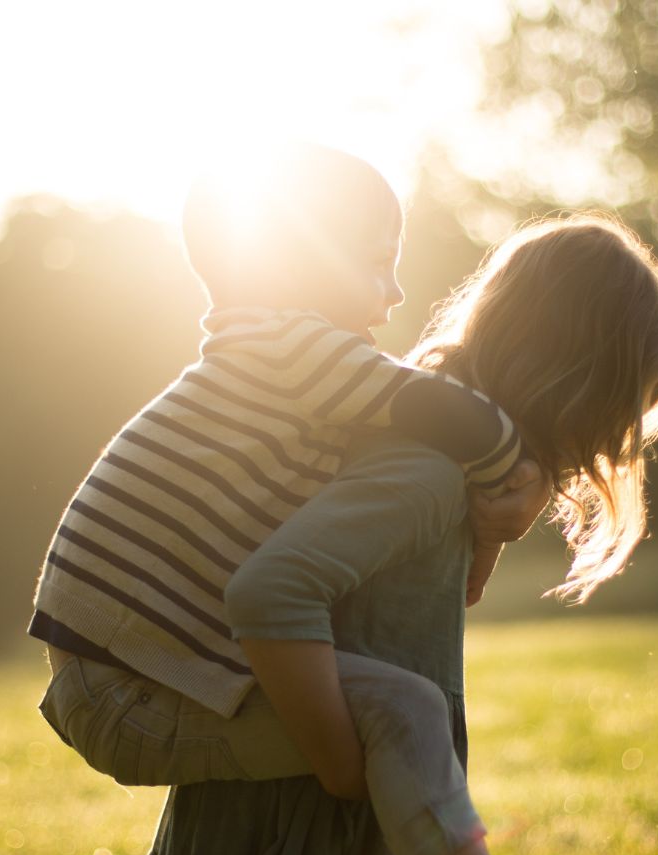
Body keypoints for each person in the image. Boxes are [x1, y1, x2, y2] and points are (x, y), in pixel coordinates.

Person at [148, 212, 658, 855]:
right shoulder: (426, 471)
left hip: (359, 808)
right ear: (574, 381)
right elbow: (271, 590)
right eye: (622, 409)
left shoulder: (445, 461)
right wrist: (339, 764)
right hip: (326, 818)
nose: (616, 440)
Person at [28, 143, 538, 804]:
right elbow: (456, 416)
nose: (398, 291)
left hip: (115, 676)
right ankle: (377, 820)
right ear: (303, 262)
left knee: (396, 710)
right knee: (405, 716)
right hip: (126, 690)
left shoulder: (269, 358)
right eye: (381, 263)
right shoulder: (296, 349)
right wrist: (511, 492)